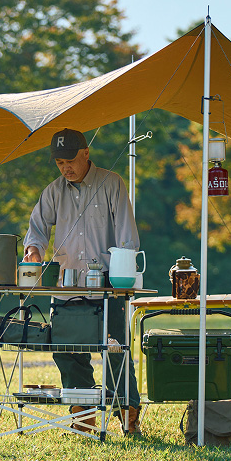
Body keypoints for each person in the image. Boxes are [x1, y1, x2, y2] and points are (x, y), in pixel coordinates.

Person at [23, 128, 143, 436]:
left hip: (107, 284)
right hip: (64, 284)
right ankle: (84, 416)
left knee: (116, 349)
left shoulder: (111, 183)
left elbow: (128, 235)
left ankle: (128, 416)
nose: (66, 168)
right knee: (67, 349)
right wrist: (33, 249)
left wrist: (123, 273)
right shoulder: (53, 191)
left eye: (71, 161)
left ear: (86, 154)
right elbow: (36, 228)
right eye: (60, 163)